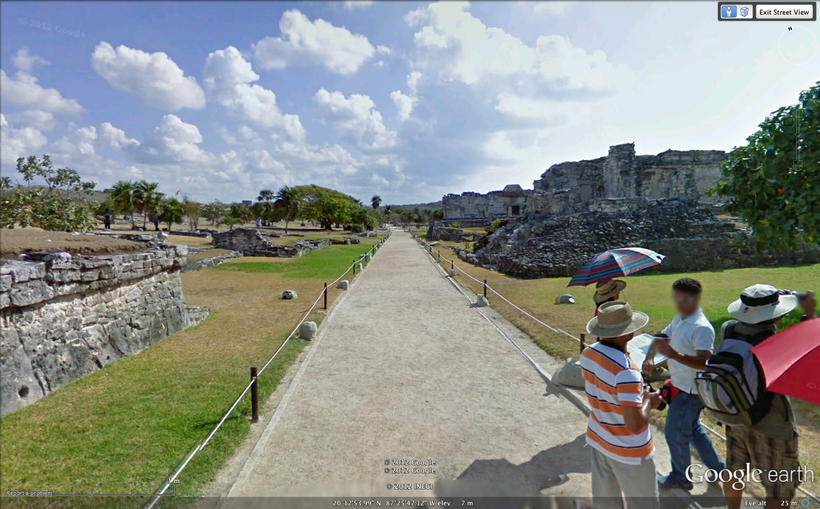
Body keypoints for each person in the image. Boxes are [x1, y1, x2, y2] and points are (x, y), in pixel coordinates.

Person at [720, 285, 801, 509]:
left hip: (736, 414)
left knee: (734, 471)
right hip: (771, 425)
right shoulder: (778, 342)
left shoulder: (729, 329)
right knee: (780, 488)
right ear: (775, 315)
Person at [642, 278, 724, 491]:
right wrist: (650, 357)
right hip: (680, 385)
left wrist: (675, 355)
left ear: (698, 299)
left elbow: (705, 362)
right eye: (677, 298)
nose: (680, 303)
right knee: (693, 430)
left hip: (691, 392)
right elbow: (661, 337)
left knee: (675, 434)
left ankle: (681, 478)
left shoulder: (701, 327)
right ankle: (718, 469)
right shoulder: (680, 318)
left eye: (685, 299)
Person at [581, 301, 662, 509]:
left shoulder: (588, 353)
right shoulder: (627, 372)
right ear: (629, 333)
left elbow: (605, 391)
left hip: (599, 438)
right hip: (629, 451)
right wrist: (649, 402)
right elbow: (634, 424)